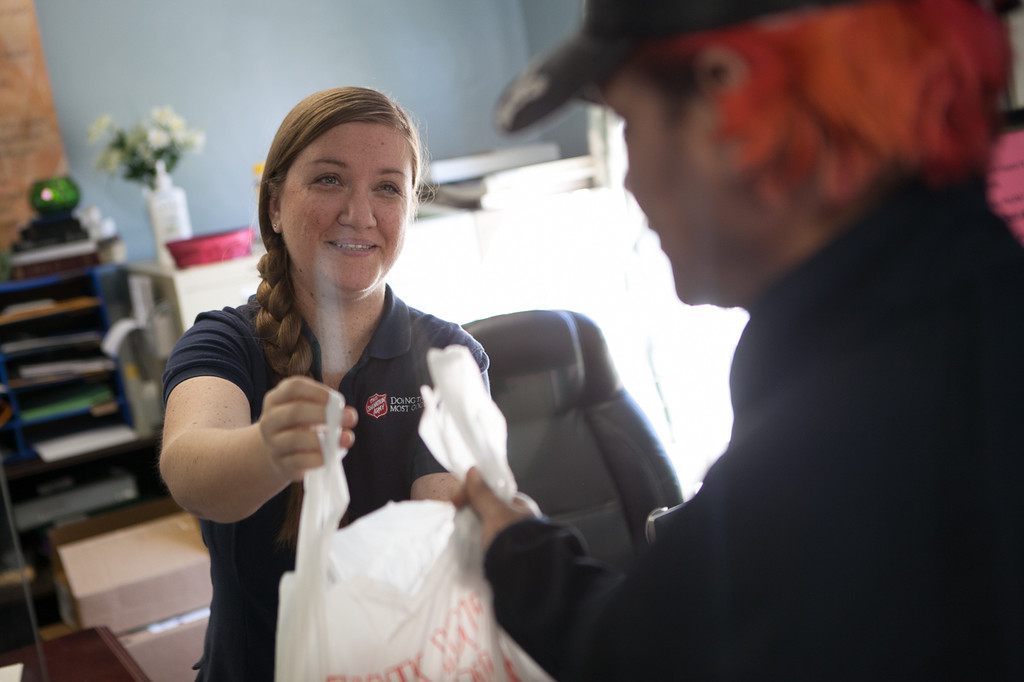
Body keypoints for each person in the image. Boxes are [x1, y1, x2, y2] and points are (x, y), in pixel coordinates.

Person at [459, 0, 1024, 679]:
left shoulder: (843, 425)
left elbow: (647, 654)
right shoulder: (968, 306)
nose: (632, 180)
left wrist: (513, 548)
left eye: (627, 122)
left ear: (726, 92)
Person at [159, 86, 488, 682]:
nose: (359, 213)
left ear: (411, 209)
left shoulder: (447, 357)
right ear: (276, 206)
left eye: (388, 187)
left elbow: (436, 539)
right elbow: (190, 468)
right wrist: (267, 451)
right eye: (330, 179)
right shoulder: (223, 344)